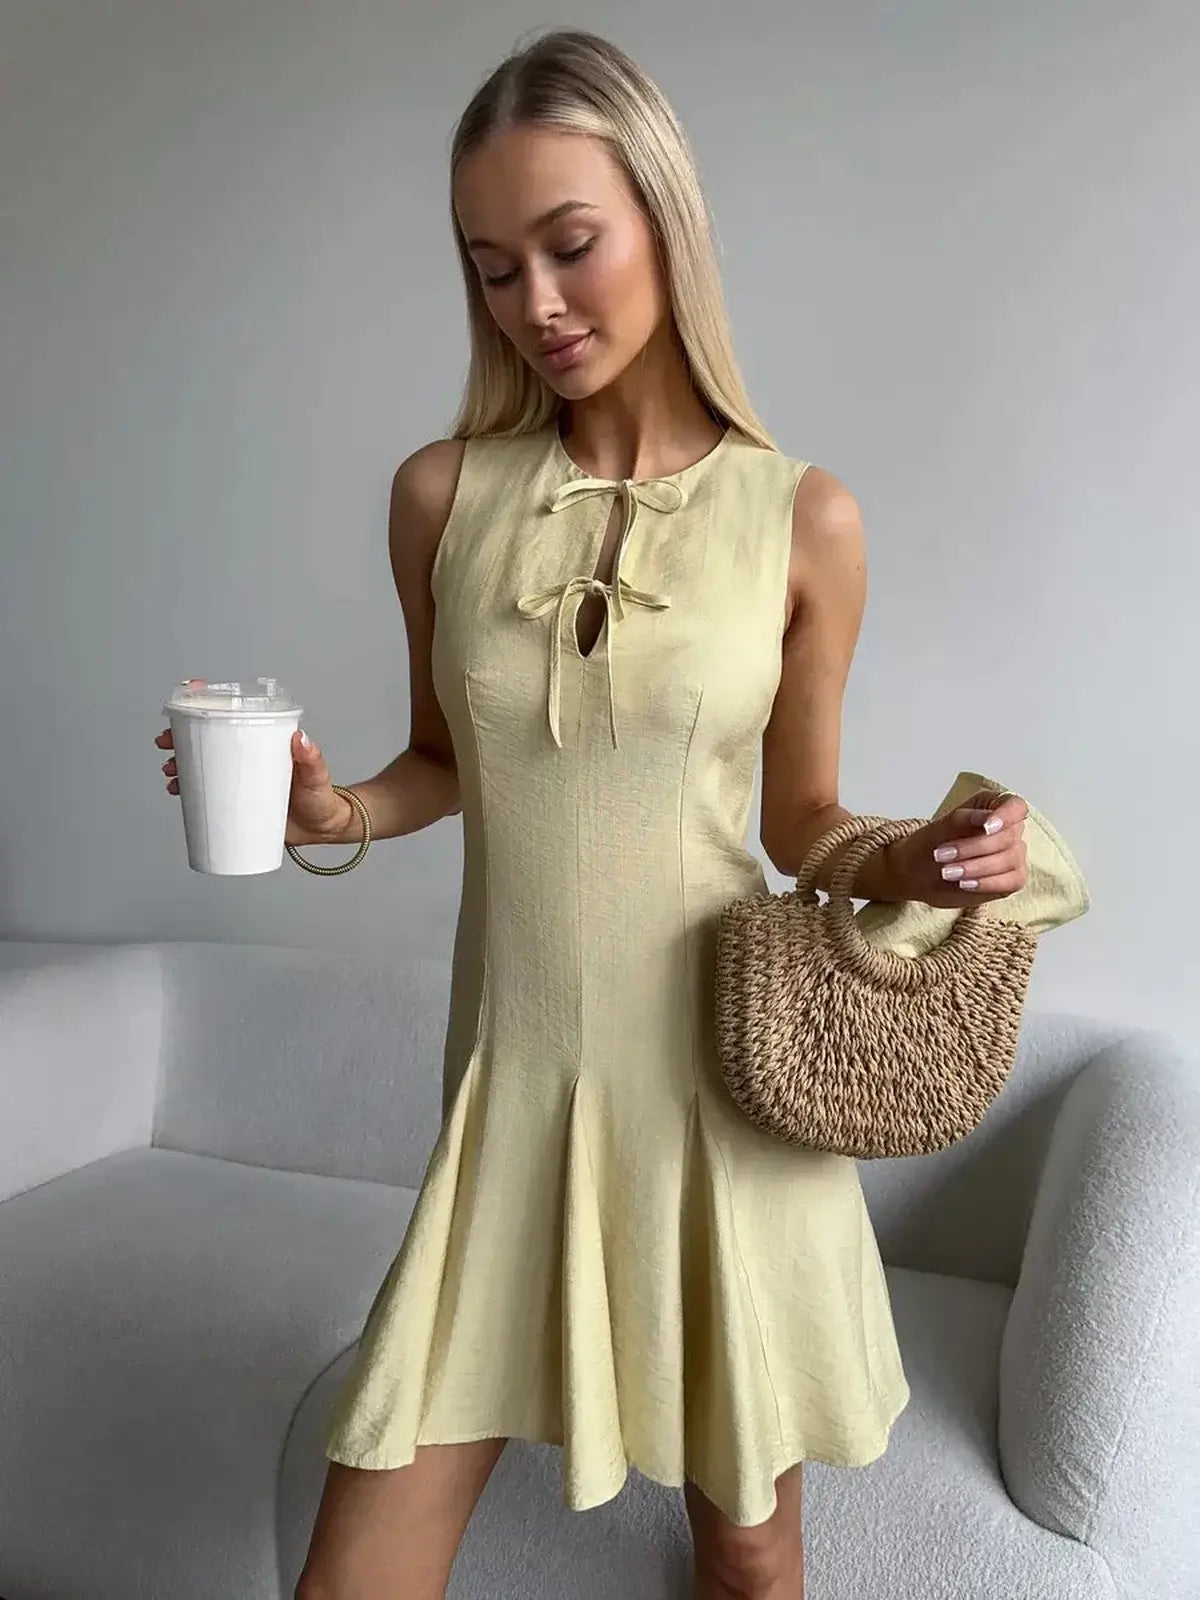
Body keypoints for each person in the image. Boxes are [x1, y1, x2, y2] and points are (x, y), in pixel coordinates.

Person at [156, 28, 1028, 1600]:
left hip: (719, 1114)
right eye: (493, 269)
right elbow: (440, 760)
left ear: (664, 224)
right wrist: (324, 804)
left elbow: (806, 818)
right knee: (356, 1565)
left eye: (571, 246)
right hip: (512, 1101)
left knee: (751, 1562)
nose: (537, 306)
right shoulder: (441, 495)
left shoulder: (801, 516)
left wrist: (931, 857)